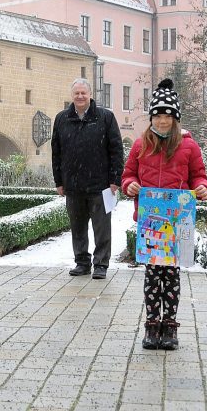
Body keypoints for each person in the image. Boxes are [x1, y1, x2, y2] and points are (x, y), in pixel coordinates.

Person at [121, 79, 207, 350]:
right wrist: (129, 186)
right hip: (150, 224)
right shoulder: (140, 145)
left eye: (167, 116)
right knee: (152, 276)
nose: (162, 121)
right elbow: (128, 174)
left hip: (177, 222)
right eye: (158, 116)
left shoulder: (189, 146)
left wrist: (202, 188)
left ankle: (169, 326)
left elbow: (199, 176)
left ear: (175, 119)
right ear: (151, 118)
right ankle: (151, 325)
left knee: (171, 276)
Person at [51, 78, 124, 280]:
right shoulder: (62, 119)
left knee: (102, 228)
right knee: (78, 228)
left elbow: (116, 150)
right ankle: (81, 262)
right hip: (73, 186)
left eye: (84, 93)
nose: (80, 97)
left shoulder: (105, 117)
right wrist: (59, 181)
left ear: (90, 95)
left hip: (101, 186)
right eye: (77, 93)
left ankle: (101, 264)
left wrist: (115, 179)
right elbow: (56, 152)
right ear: (72, 96)